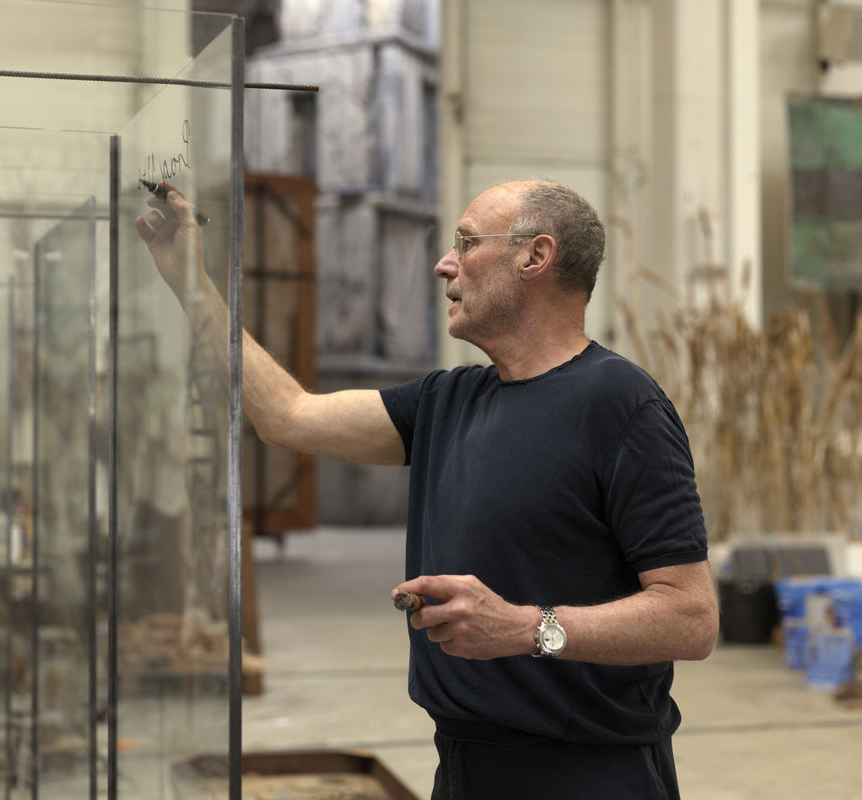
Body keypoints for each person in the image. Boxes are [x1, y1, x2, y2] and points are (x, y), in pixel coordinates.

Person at [136, 179, 720, 800]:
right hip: (465, 766)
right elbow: (285, 416)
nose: (445, 264)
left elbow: (692, 617)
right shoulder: (449, 400)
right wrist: (189, 283)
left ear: (535, 257)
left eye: (467, 243)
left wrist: (527, 627)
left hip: (585, 772)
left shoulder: (621, 405)